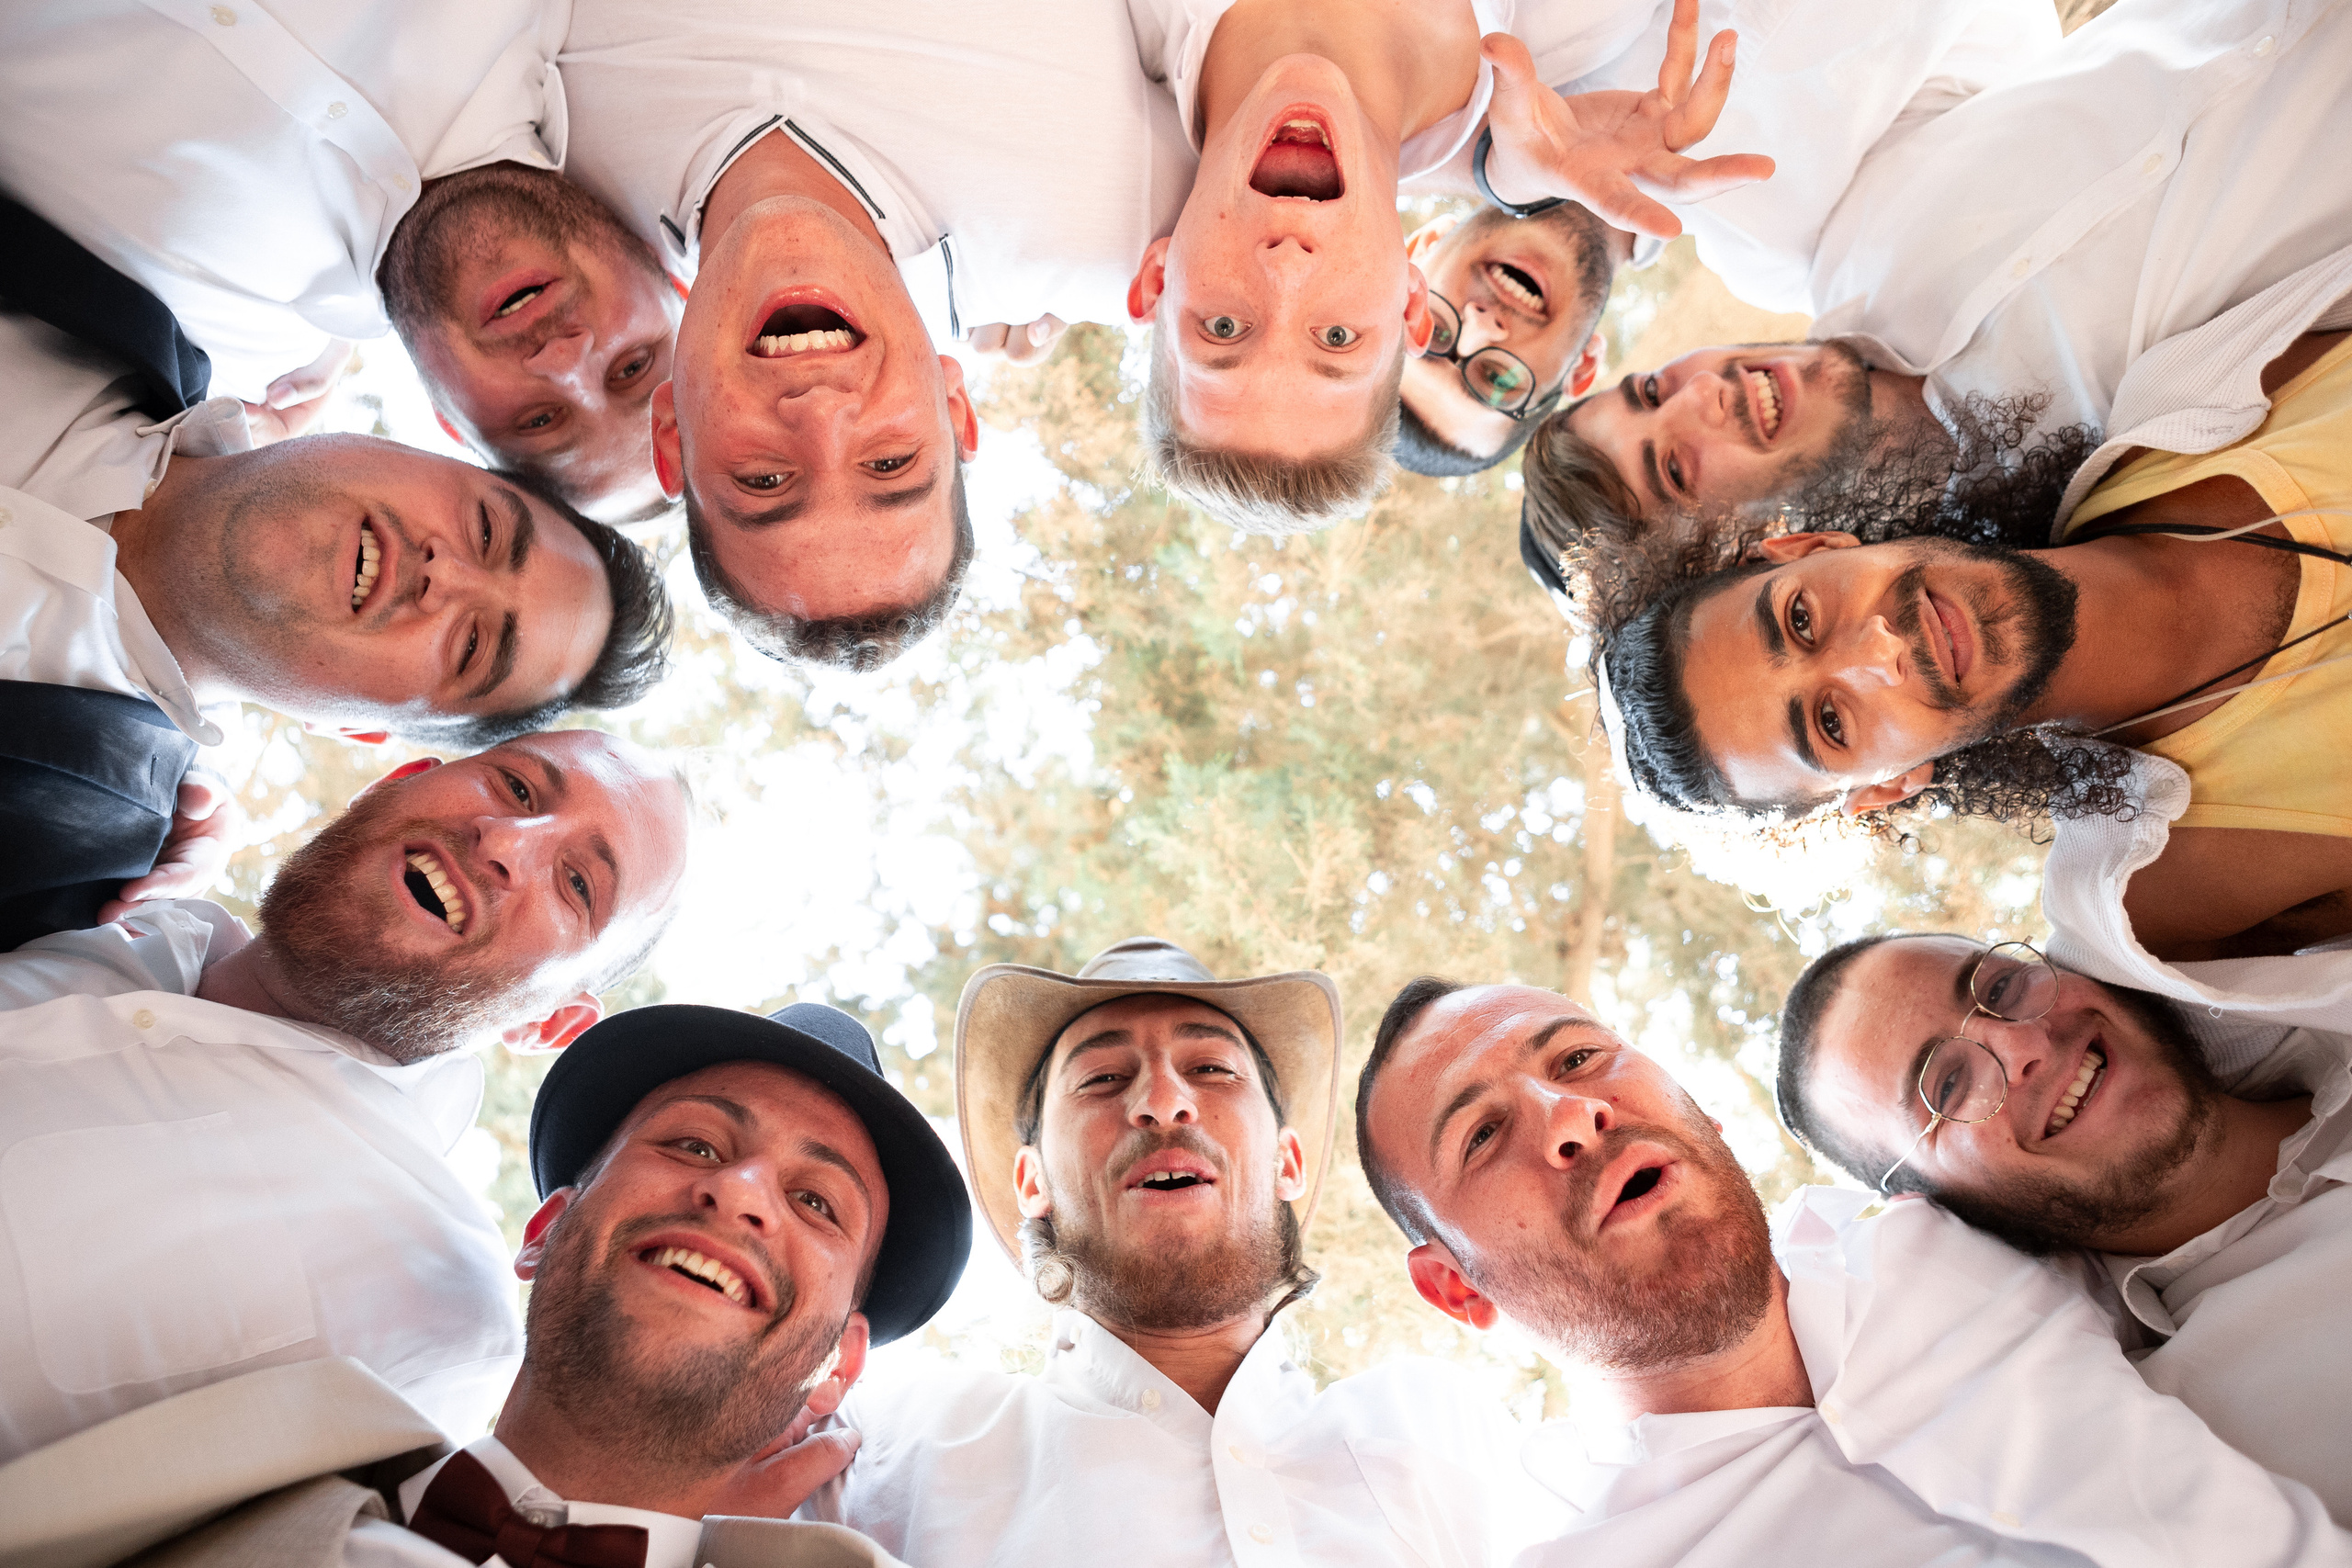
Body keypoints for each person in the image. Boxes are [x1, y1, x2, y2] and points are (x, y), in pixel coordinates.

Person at [1354, 976, 2352, 1563]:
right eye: (1481, 1134)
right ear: (1456, 1288)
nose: (1572, 1115)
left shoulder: (1956, 1222)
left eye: (1577, 1059)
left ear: (1693, 1101)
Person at [0, 998, 970, 1568]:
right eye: (693, 1144)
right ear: (544, 1231)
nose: (740, 1192)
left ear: (840, 1366)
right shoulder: (196, 1479)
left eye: (816, 1202)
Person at [0, 728, 692, 1463]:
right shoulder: (103, 875)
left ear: (546, 1022)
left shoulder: (431, 1314)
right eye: (516, 787)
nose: (505, 842)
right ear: (391, 782)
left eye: (577, 884)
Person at [1522, 0, 2352, 600]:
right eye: (1674, 468)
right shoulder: (2077, 516)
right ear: (1755, 555)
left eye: (1651, 390)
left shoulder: (1844, 236)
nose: (1701, 392)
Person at [1602, 324, 2352, 962]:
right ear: (1887, 787)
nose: (1878, 651)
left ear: (1811, 546)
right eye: (1830, 721)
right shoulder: (2186, 894)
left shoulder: (2198, 388)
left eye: (1802, 619)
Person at [799, 937, 1531, 1568]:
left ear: (1288, 1162)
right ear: (1032, 1180)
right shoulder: (883, 1457)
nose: (1163, 1100)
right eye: (1102, 1079)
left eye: (1212, 1069)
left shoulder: (1450, 1434)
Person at [0, 303, 673, 945]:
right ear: (426, 452)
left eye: (472, 646)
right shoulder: (123, 293)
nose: (445, 575)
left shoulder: (63, 871)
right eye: (486, 528)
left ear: (358, 730)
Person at [555, 0, 1196, 671]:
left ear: (671, 438)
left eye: (765, 479)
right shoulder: (1124, 228)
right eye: (890, 464)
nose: (820, 412)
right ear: (954, 409)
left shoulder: (546, 189)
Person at [0, 1, 684, 521]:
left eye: (538, 421)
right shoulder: (561, 21)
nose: (563, 360)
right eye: (632, 366)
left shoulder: (207, 341)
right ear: (677, 284)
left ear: (450, 420)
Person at [1128, 0, 1775, 535]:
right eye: (1337, 338)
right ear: (1407, 301)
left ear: (1156, 280)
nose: (1288, 268)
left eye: (1222, 328)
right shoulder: (1584, 30)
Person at [1773, 932, 2352, 1521]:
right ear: (1934, 1205)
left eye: (2001, 987)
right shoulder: (2221, 1446)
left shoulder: (2327, 975)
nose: (2022, 1042)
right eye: (1949, 1086)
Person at [1396, 0, 2059, 480]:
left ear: (1418, 250)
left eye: (1433, 332)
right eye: (1497, 379)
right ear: (1583, 371)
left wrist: (1476, 160)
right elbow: (2003, 66)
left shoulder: (1485, 43)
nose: (1482, 326)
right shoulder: (1794, 263)